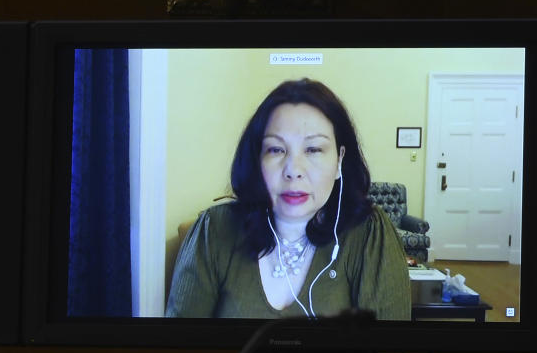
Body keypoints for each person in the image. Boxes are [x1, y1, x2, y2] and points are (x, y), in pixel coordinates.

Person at [166, 79, 411, 320]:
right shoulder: (214, 231)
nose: (293, 170)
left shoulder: (369, 235)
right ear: (257, 159)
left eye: (313, 149)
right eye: (276, 149)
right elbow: (179, 348)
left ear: (339, 161)